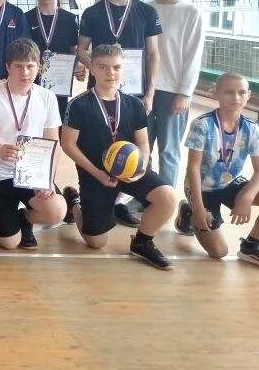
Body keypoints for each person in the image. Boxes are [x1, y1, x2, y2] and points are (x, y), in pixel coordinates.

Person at [59, 44, 177, 270]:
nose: (110, 73)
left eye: (116, 67)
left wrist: (139, 170)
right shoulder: (79, 104)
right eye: (103, 67)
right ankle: (75, 203)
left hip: (129, 170)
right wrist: (98, 174)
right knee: (96, 242)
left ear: (124, 69)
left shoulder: (134, 104)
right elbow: (68, 144)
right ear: (92, 68)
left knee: (167, 196)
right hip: (95, 175)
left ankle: (142, 242)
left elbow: (143, 144)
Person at [77, 0, 162, 228]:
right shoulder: (92, 13)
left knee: (134, 147)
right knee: (102, 144)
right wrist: (96, 67)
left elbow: (153, 54)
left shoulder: (146, 12)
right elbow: (81, 49)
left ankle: (123, 202)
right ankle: (98, 198)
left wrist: (150, 93)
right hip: (102, 91)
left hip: (135, 94)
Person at [0, 39, 66, 250]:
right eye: (18, 66)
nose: (25, 72)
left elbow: (53, 143)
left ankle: (25, 220)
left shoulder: (47, 97)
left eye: (30, 66)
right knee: (9, 243)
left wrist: (47, 180)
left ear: (39, 67)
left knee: (56, 210)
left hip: (32, 174)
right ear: (8, 67)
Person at [175, 73, 259, 264]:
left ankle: (252, 245)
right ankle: (188, 211)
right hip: (202, 189)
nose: (236, 97)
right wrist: (198, 208)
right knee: (219, 252)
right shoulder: (202, 124)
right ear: (215, 93)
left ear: (248, 95)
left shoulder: (252, 128)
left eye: (241, 92)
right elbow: (193, 168)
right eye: (229, 92)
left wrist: (246, 197)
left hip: (230, 184)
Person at [150, 0, 204, 189]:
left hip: (172, 91)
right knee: (142, 147)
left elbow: (193, 55)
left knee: (169, 149)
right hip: (146, 89)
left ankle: (167, 198)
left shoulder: (190, 12)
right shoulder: (146, 9)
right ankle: (145, 195)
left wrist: (184, 93)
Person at [26, 0, 83, 121]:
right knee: (33, 122)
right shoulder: (25, 18)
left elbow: (73, 50)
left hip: (59, 83)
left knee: (56, 122)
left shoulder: (70, 19)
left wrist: (77, 66)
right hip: (32, 82)